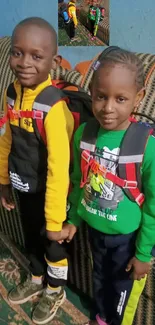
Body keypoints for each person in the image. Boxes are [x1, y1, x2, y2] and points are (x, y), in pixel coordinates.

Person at [62, 47, 155, 325]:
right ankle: (101, 317)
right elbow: (79, 183)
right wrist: (73, 220)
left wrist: (142, 255)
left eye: (121, 98)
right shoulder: (84, 134)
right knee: (99, 280)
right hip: (95, 231)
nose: (108, 107)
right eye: (101, 96)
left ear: (138, 98)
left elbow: (153, 205)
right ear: (91, 93)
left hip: (128, 241)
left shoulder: (147, 145)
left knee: (122, 292)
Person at [0, 17, 74, 325]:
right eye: (17, 53)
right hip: (24, 184)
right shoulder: (12, 93)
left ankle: (55, 289)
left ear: (53, 61)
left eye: (36, 55)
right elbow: (7, 138)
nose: (24, 63)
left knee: (50, 244)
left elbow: (59, 168)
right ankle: (35, 276)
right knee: (31, 237)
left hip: (51, 193)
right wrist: (3, 181)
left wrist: (55, 220)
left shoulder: (52, 107)